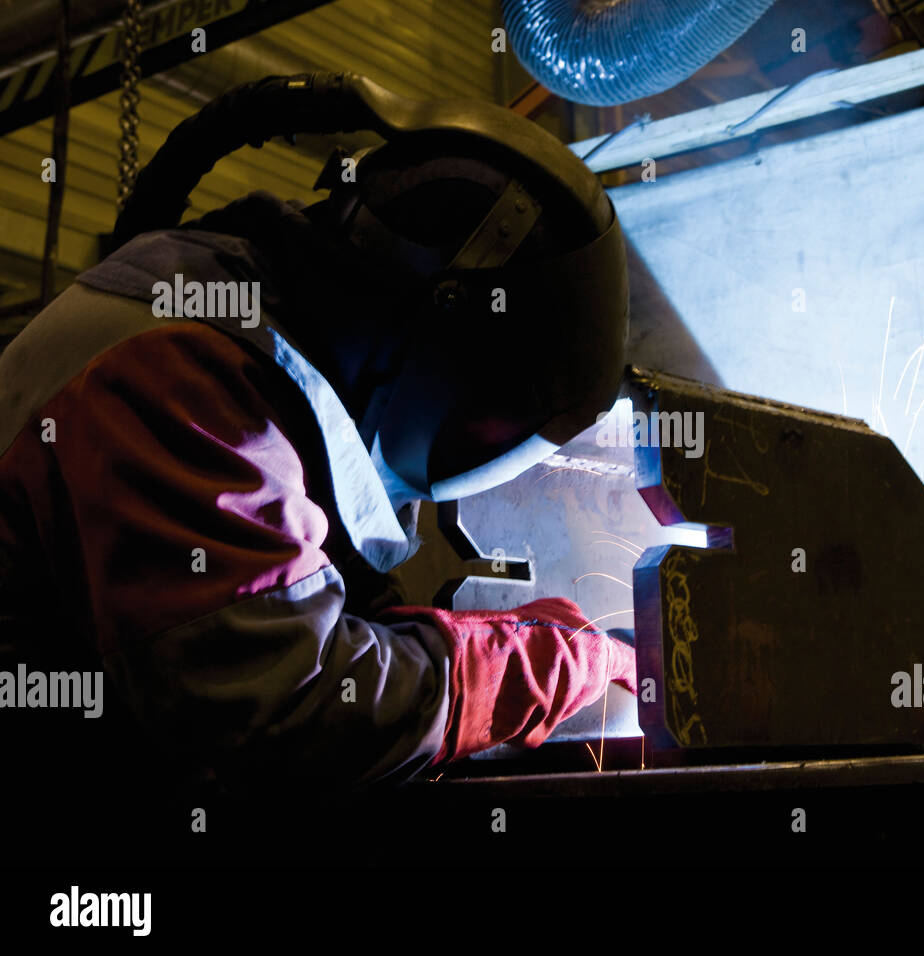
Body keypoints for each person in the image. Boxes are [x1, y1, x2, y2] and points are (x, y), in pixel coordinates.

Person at [0, 79, 636, 816]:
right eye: (485, 428)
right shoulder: (178, 378)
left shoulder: (242, 334)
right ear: (436, 329)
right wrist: (546, 668)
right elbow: (289, 710)